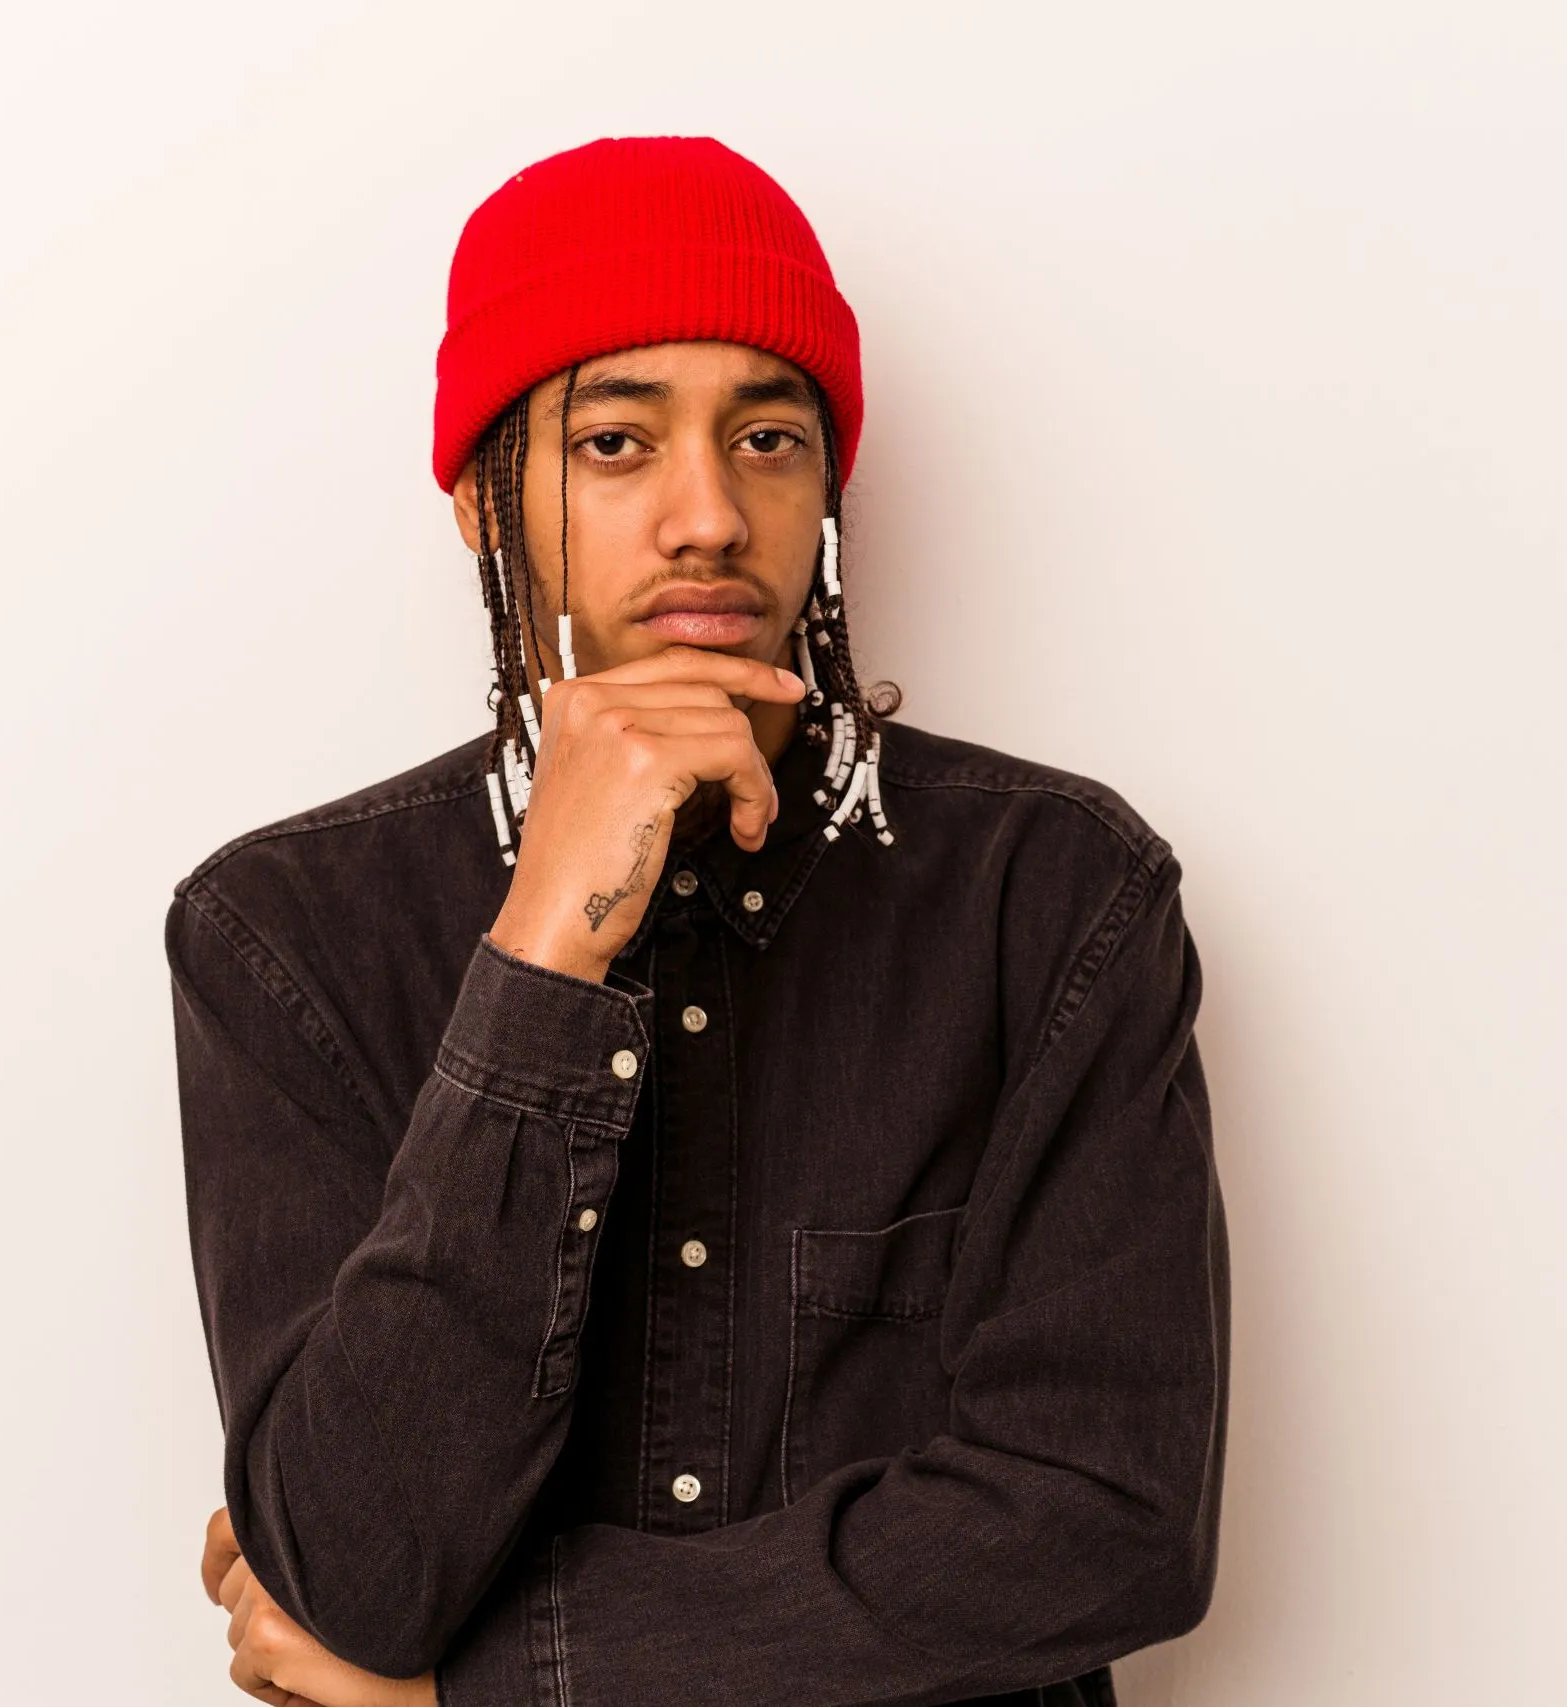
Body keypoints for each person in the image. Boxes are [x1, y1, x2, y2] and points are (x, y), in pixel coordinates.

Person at [167, 135, 1230, 1707]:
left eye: (769, 436)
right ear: (480, 500)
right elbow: (356, 1566)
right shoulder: (285, 932)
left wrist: (504, 1683)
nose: (709, 516)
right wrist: (542, 956)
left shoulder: (1051, 892)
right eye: (614, 441)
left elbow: (1107, 1515)